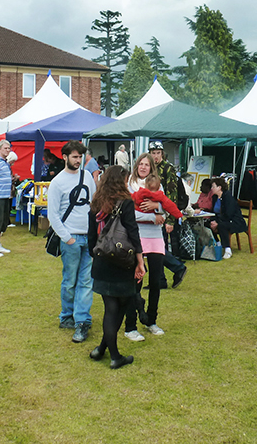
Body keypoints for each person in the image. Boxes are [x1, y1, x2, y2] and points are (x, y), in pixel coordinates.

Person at [87, 165, 146, 370]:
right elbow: (133, 232)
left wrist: (94, 256)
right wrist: (140, 260)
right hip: (122, 260)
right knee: (116, 308)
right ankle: (114, 356)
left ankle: (102, 348)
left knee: (112, 306)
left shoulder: (96, 202)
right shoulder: (126, 202)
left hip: (102, 259)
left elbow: (91, 236)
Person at [48, 139, 96, 343]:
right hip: (71, 238)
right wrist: (67, 239)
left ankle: (82, 320)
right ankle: (66, 316)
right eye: (75, 157)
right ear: (65, 157)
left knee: (86, 280)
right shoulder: (57, 182)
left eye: (81, 157)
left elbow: (95, 204)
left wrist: (96, 232)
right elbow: (53, 215)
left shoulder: (87, 176)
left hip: (89, 236)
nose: (78, 160)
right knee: (70, 281)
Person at [123, 153, 168, 341]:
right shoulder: (129, 185)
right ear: (136, 166)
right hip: (136, 237)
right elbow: (129, 214)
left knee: (156, 281)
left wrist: (156, 205)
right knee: (135, 281)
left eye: (147, 165)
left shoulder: (158, 185)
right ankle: (131, 325)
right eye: (140, 164)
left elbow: (165, 212)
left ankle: (151, 320)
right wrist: (152, 215)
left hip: (156, 237)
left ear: (152, 168)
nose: (143, 167)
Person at [148, 141, 187, 288]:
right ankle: (160, 280)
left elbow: (172, 195)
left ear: (162, 154)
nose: (156, 156)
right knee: (155, 248)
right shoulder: (149, 168)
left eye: (158, 153)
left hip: (163, 213)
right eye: (153, 153)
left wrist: (170, 220)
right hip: (151, 213)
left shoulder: (167, 168)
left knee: (157, 248)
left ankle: (178, 267)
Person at [209, 177, 247, 260]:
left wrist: (217, 222)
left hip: (235, 221)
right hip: (221, 219)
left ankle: (227, 249)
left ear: (219, 187)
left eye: (213, 186)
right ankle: (218, 243)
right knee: (207, 223)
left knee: (222, 226)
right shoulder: (215, 198)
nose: (212, 189)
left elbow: (229, 214)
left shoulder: (228, 197)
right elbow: (213, 212)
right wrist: (213, 221)